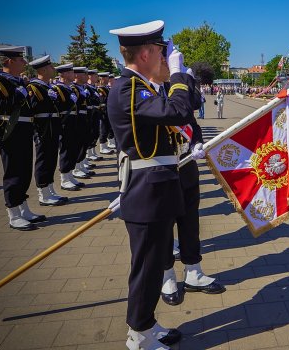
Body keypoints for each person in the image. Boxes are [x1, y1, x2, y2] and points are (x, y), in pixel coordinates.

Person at [108, 20, 200, 350]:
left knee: (155, 261)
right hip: (146, 192)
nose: (166, 58)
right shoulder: (128, 89)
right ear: (146, 53)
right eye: (162, 52)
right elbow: (178, 112)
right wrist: (177, 74)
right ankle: (137, 337)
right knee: (146, 270)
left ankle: (146, 326)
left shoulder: (141, 87)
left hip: (156, 190)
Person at [156, 64, 225, 307]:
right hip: (161, 168)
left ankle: (193, 271)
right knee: (163, 225)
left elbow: (190, 117)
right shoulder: (145, 89)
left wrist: (197, 141)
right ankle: (166, 276)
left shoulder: (178, 84)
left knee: (190, 220)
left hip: (185, 164)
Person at [0, 47, 46, 231]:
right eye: (21, 60)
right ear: (9, 61)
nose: (24, 63)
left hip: (24, 130)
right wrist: (17, 97)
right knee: (13, 172)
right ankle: (13, 214)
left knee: (25, 170)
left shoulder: (20, 81)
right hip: (10, 132)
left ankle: (23, 209)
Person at [27, 55, 68, 206]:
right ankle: (43, 193)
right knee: (43, 159)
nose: (53, 69)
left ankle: (50, 189)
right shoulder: (34, 87)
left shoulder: (48, 87)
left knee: (51, 158)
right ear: (43, 69)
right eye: (50, 67)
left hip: (52, 126)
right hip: (43, 127)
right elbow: (32, 109)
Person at [54, 63, 86, 191]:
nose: (74, 75)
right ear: (65, 74)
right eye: (71, 72)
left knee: (72, 148)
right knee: (66, 150)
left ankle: (70, 175)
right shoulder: (58, 89)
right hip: (65, 122)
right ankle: (64, 179)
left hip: (73, 122)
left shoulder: (69, 89)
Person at [72, 67, 94, 179]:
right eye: (84, 74)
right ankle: (76, 168)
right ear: (76, 76)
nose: (87, 76)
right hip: (78, 119)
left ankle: (80, 165)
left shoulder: (82, 88)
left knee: (83, 142)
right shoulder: (73, 88)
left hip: (85, 117)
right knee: (77, 144)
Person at [97, 72, 115, 155]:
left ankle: (106, 145)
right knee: (103, 129)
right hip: (104, 112)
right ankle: (102, 147)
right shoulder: (100, 89)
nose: (109, 79)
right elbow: (102, 102)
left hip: (108, 111)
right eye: (107, 77)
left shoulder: (106, 88)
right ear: (103, 79)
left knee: (107, 128)